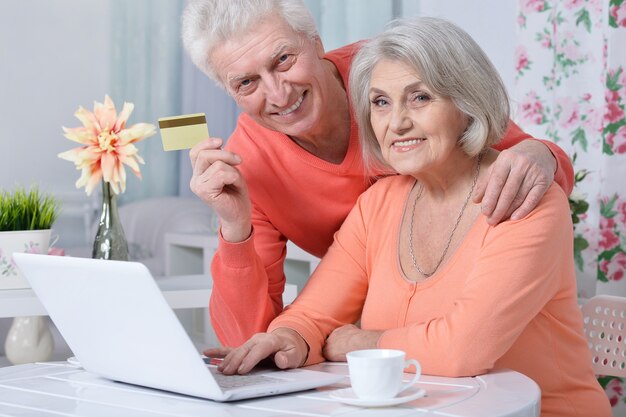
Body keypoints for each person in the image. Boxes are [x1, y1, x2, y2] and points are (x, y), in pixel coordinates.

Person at [210, 16, 610, 417]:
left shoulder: (523, 201)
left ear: (467, 102)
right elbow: (312, 316)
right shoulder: (379, 203)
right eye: (381, 102)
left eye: (419, 98)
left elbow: (460, 350)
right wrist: (290, 338)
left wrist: (356, 342)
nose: (397, 122)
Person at [181, 0, 575, 347]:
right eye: (247, 82)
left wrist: (540, 153)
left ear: (315, 42)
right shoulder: (251, 164)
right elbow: (254, 341)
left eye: (283, 59)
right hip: (375, 341)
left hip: (469, 323)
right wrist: (234, 229)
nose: (279, 94)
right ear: (230, 93)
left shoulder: (390, 73)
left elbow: (502, 146)